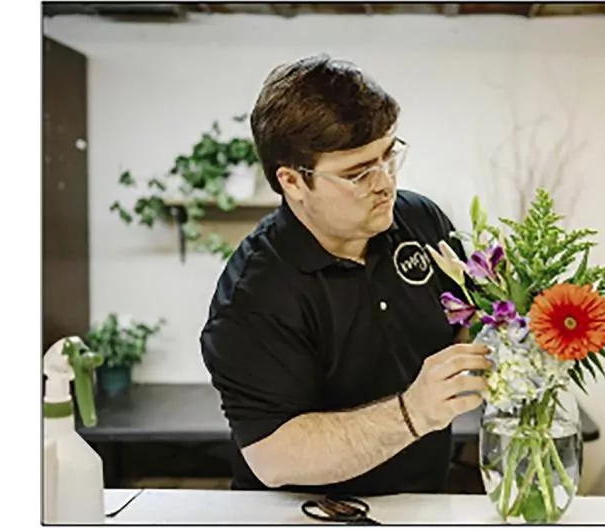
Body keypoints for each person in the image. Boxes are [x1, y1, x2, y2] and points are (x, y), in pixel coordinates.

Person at [199, 54, 491, 496]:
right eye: (358, 173)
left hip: (420, 501)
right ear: (293, 182)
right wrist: (414, 412)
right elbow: (273, 457)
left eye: (389, 156)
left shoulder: (420, 220)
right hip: (301, 513)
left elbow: (466, 323)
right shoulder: (255, 293)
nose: (385, 183)